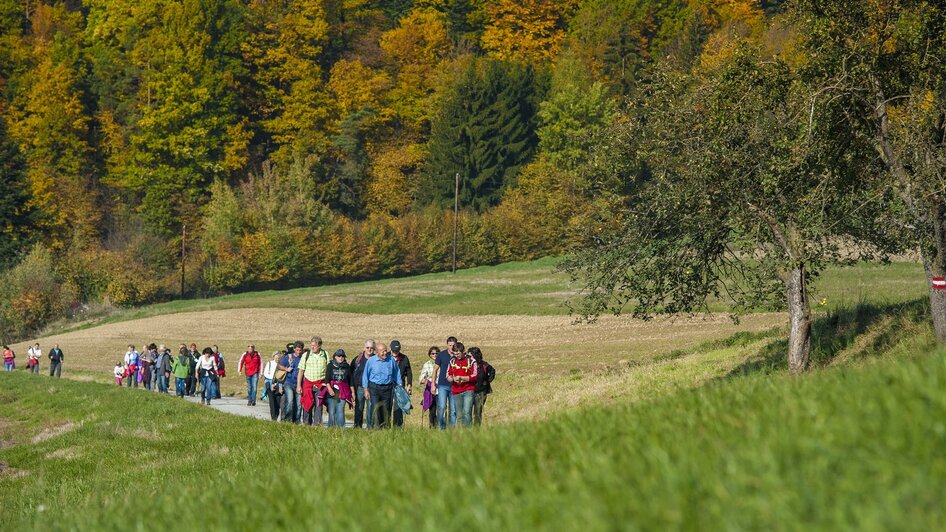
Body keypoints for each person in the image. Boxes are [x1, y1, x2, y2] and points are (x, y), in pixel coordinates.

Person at [362, 342, 401, 429]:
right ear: (377, 352)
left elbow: (397, 373)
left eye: (385, 351)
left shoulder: (391, 360)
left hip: (387, 388)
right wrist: (366, 389)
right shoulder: (371, 361)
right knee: (375, 409)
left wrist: (400, 385)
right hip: (374, 388)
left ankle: (385, 429)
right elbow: (365, 375)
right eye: (382, 352)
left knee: (386, 410)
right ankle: (373, 429)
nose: (384, 353)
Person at [298, 337, 328, 426]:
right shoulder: (306, 355)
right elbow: (301, 371)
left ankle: (317, 424)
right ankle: (307, 423)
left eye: (314, 346)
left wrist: (327, 383)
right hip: (308, 383)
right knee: (307, 403)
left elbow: (328, 370)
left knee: (319, 405)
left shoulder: (325, 354)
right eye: (311, 345)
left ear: (319, 346)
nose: (312, 347)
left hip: (320, 384)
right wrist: (299, 385)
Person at [446, 342, 477, 427]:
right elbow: (448, 375)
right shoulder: (452, 361)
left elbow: (475, 375)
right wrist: (452, 379)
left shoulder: (471, 360)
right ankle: (460, 435)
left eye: (458, 353)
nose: (457, 355)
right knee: (459, 415)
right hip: (456, 391)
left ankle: (468, 433)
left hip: (468, 390)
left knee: (467, 412)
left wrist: (462, 378)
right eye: (455, 353)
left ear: (463, 351)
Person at [322, 349, 353, 427]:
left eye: (342, 356)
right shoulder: (330, 365)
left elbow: (350, 381)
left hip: (343, 390)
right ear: (335, 357)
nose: (341, 358)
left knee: (340, 410)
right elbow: (327, 379)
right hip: (332, 390)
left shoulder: (347, 366)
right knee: (332, 411)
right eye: (339, 356)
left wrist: (353, 393)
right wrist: (329, 389)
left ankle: (341, 428)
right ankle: (331, 427)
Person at [432, 336, 458, 429]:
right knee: (442, 407)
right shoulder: (441, 355)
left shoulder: (458, 355)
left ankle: (451, 429)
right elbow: (435, 369)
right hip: (442, 385)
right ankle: (441, 428)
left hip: (455, 386)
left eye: (453, 345)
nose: (451, 347)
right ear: (447, 345)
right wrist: (433, 384)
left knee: (453, 410)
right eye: (450, 345)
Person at [351, 340, 375, 428]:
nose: (369, 349)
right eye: (367, 347)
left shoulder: (376, 359)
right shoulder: (358, 359)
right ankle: (357, 427)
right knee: (359, 408)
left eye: (371, 348)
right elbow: (350, 372)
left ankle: (370, 428)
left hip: (372, 388)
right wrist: (352, 389)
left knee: (370, 408)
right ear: (364, 348)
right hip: (360, 388)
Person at [469, 347, 495, 426]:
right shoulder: (467, 364)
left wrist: (487, 381)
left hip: (481, 391)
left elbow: (492, 372)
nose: (468, 358)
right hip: (468, 391)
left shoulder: (484, 365)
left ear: (475, 355)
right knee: (467, 411)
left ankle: (476, 430)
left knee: (478, 412)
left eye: (470, 356)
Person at [278, 342, 304, 423]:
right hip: (288, 383)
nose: (298, 352)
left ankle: (296, 421)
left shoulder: (303, 358)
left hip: (299, 384)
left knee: (299, 404)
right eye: (297, 350)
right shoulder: (288, 357)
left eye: (300, 350)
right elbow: (279, 366)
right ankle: (288, 420)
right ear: (294, 349)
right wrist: (286, 369)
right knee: (290, 401)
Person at [390, 340, 412, 427]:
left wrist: (409, 384)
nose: (395, 352)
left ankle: (397, 427)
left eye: (397, 350)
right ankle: (385, 426)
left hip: (400, 385)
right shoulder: (386, 356)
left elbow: (409, 372)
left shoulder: (404, 358)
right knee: (387, 406)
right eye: (394, 350)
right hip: (387, 385)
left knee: (398, 407)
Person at [418, 346, 439, 428]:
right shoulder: (426, 365)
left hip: (440, 390)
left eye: (437, 353)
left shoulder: (442, 363)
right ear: (430, 355)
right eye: (433, 353)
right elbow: (421, 378)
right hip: (431, 390)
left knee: (441, 410)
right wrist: (427, 382)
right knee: (432, 411)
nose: (435, 355)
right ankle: (432, 427)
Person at [265, 352, 283, 420]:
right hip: (269, 384)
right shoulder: (269, 363)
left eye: (278, 358)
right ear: (273, 357)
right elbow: (265, 373)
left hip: (278, 385)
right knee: (272, 402)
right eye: (276, 358)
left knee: (278, 402)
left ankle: (276, 414)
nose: (277, 359)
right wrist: (272, 380)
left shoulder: (281, 365)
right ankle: (273, 417)